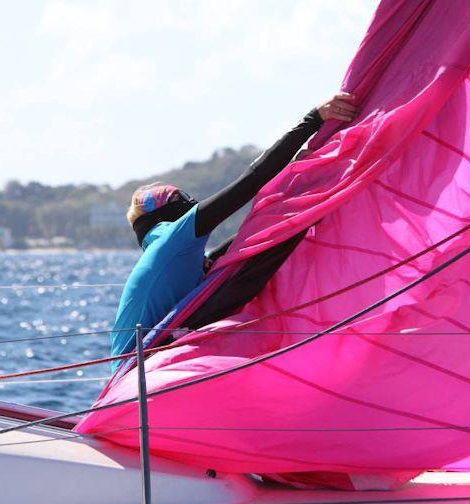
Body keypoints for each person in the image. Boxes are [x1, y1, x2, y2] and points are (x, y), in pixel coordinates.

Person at [110, 93, 359, 373]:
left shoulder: (168, 253)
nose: (195, 204)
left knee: (260, 243)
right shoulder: (172, 239)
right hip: (137, 373)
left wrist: (293, 176)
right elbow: (251, 180)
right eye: (185, 199)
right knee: (256, 253)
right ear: (173, 210)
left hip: (130, 373)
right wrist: (313, 119)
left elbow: (249, 238)